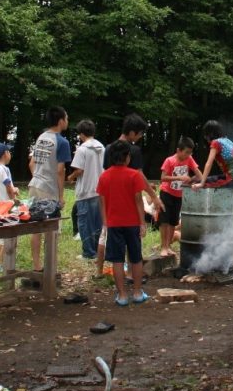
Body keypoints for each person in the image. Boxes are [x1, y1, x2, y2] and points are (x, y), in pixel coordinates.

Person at [97, 113, 164, 276]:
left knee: (108, 235)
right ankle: (130, 274)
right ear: (132, 132)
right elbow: (139, 175)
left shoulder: (109, 148)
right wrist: (154, 197)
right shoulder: (132, 150)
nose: (140, 137)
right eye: (140, 133)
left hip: (111, 199)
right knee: (131, 239)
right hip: (129, 199)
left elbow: (107, 173)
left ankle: (100, 271)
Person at [95, 139, 149, 306]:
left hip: (113, 224)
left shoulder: (104, 176)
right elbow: (139, 200)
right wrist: (142, 223)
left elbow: (102, 202)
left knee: (117, 260)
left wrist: (105, 223)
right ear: (127, 157)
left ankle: (123, 295)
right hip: (132, 223)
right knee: (136, 258)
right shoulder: (134, 175)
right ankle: (138, 293)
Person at [28, 106, 71, 275]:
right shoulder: (62, 142)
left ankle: (37, 265)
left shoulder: (41, 138)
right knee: (52, 229)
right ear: (61, 121)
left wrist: (39, 177)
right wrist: (61, 195)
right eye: (66, 118)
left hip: (34, 186)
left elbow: (31, 163)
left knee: (36, 227)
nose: (67, 121)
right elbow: (60, 171)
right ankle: (50, 266)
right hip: (50, 190)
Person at [158, 137, 204, 257]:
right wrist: (179, 178)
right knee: (164, 221)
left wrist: (201, 182)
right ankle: (163, 247)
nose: (188, 155)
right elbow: (163, 178)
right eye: (186, 152)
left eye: (190, 153)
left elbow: (198, 173)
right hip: (166, 193)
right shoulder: (169, 161)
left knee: (173, 222)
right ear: (179, 150)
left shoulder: (189, 159)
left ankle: (168, 246)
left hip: (178, 195)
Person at [66, 120, 106, 260]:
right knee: (98, 223)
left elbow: (79, 170)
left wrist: (71, 177)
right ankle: (98, 250)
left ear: (81, 134)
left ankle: (88, 253)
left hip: (85, 191)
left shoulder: (82, 149)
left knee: (84, 223)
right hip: (100, 190)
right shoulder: (102, 147)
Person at [0, 141, 19, 271]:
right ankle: (0, 262)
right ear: (5, 154)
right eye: (9, 152)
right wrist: (14, 197)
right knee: (10, 235)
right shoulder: (3, 169)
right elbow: (8, 187)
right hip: (7, 205)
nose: (10, 154)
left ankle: (0, 262)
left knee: (2, 237)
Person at [195, 120, 233, 189]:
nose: (205, 138)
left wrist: (202, 183)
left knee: (199, 183)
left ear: (209, 134)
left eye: (206, 135)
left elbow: (209, 164)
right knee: (203, 180)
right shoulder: (228, 141)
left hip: (232, 179)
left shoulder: (215, 143)